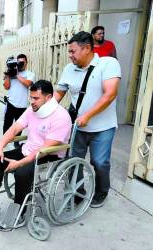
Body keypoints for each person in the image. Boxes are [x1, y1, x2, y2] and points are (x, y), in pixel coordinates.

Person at [0, 80, 71, 229]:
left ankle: (19, 213)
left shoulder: (61, 117)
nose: (31, 101)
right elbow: (14, 130)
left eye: (35, 98)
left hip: (48, 155)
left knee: (22, 172)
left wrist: (19, 163)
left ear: (48, 97)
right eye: (30, 97)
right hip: (27, 149)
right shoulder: (31, 110)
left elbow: (45, 148)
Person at [55, 31, 121, 208]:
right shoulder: (69, 69)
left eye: (72, 51)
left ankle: (101, 191)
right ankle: (77, 192)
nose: (70, 55)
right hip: (77, 127)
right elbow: (58, 94)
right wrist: (42, 111)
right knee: (72, 161)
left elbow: (110, 94)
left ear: (86, 49)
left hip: (103, 127)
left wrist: (88, 115)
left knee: (100, 162)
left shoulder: (108, 64)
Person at [3, 54, 35, 138]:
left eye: (22, 62)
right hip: (11, 103)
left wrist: (17, 75)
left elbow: (28, 84)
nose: (20, 64)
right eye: (18, 62)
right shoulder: (10, 73)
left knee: (19, 125)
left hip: (22, 104)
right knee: (7, 124)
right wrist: (8, 75)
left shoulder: (30, 74)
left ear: (26, 62)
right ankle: (5, 140)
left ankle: (16, 142)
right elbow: (6, 87)